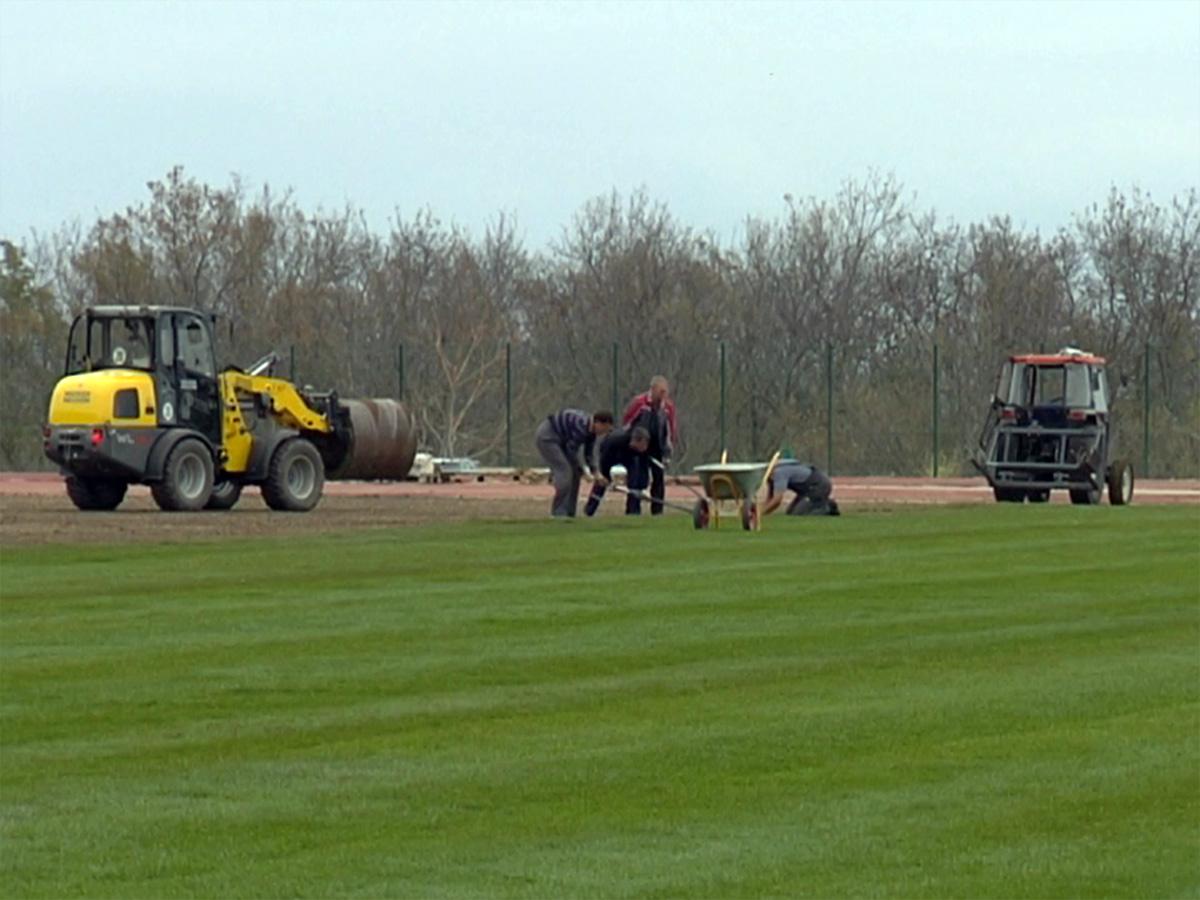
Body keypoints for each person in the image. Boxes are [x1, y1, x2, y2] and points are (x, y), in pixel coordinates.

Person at [535, 409, 614, 517]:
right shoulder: (581, 426)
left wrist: (596, 474)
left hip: (562, 442)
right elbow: (571, 451)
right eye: (604, 429)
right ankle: (559, 513)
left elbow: (588, 454)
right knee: (565, 471)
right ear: (598, 423)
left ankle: (570, 513)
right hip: (548, 438)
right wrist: (584, 471)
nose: (603, 433)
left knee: (575, 474)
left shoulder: (591, 432)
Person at [621, 375, 678, 515]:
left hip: (657, 447)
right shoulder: (639, 403)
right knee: (637, 478)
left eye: (665, 392)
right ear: (652, 389)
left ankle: (657, 511)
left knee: (658, 479)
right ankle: (633, 510)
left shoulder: (668, 407)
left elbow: (671, 428)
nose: (663, 395)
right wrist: (630, 442)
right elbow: (627, 423)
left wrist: (668, 449)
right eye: (661, 391)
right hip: (639, 447)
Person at [583, 426, 651, 516]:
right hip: (610, 455)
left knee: (634, 482)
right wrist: (605, 477)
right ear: (635, 441)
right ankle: (589, 510)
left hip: (629, 458)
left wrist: (643, 489)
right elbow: (604, 459)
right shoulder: (615, 441)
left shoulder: (642, 450)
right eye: (642, 445)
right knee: (601, 484)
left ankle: (633, 512)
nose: (644, 448)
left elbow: (644, 467)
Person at [762, 458, 840, 516]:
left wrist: (761, 513)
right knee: (790, 512)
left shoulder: (778, 473)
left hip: (818, 485)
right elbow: (770, 497)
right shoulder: (770, 477)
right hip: (806, 491)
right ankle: (820, 502)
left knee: (798, 514)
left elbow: (777, 500)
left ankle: (828, 507)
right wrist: (761, 512)